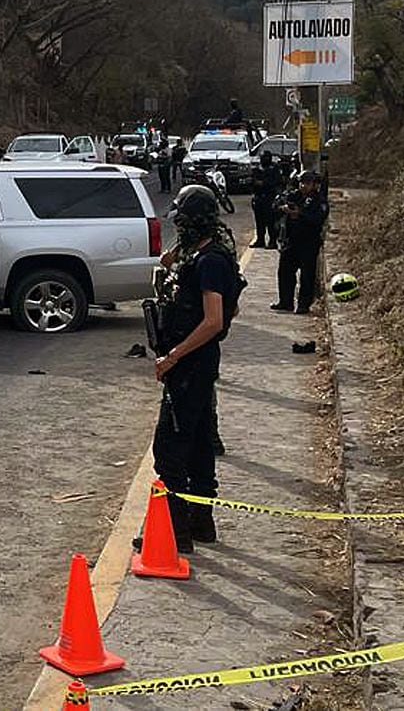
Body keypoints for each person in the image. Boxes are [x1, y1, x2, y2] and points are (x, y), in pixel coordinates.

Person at [150, 184, 238, 551]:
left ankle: (174, 533)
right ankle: (201, 524)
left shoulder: (211, 262)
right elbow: (166, 265)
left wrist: (174, 356)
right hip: (194, 363)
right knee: (200, 444)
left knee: (169, 448)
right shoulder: (201, 255)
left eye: (182, 222)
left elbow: (216, 319)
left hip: (190, 364)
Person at [272, 169, 327, 314]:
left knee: (307, 275)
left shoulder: (319, 200)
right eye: (302, 182)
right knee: (285, 272)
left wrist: (300, 214)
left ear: (314, 184)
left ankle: (303, 304)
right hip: (291, 241)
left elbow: (318, 219)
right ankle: (285, 302)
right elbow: (275, 206)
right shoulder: (293, 195)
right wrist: (283, 208)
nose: (304, 186)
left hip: (309, 242)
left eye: (307, 183)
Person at [248, 153, 285, 249]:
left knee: (270, 221)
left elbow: (277, 182)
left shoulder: (274, 169)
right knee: (259, 221)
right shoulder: (257, 169)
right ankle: (260, 240)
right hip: (258, 197)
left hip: (269, 198)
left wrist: (263, 183)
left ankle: (272, 241)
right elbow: (252, 181)